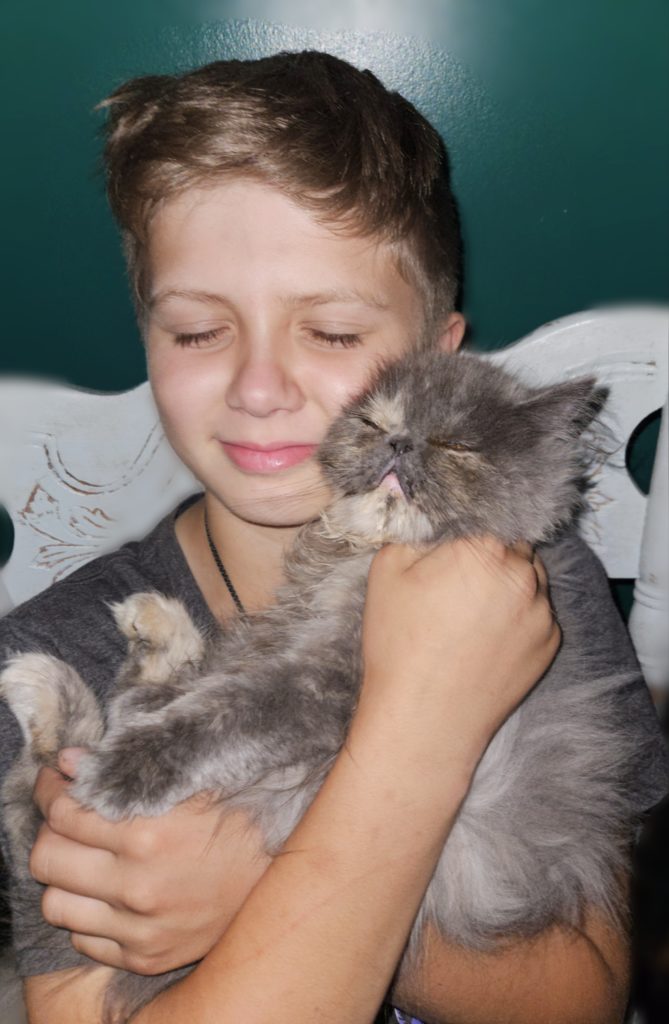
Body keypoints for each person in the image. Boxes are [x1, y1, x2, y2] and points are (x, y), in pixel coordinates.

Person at [0, 50, 666, 1024]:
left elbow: (585, 994)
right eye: (197, 331)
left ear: (438, 360)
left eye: (336, 334)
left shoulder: (526, 586)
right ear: (147, 336)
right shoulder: (54, 662)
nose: (258, 388)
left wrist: (265, 867)